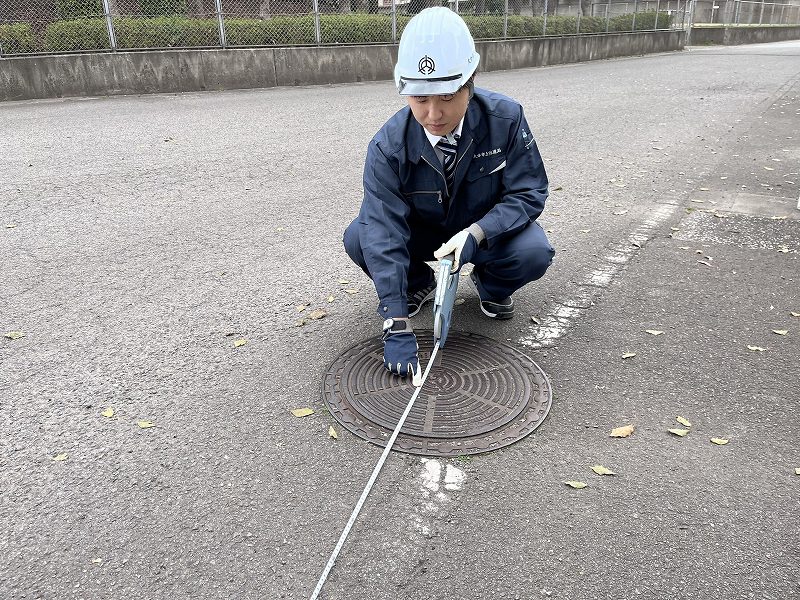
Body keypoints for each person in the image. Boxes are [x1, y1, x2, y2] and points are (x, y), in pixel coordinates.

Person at [343, 7, 555, 385]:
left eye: (446, 96)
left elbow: (528, 191)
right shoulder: (387, 146)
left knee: (533, 252)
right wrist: (395, 321)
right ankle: (417, 284)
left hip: (483, 231)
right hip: (424, 233)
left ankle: (491, 287)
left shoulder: (506, 119)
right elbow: (382, 228)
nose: (433, 113)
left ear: (470, 84)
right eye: (419, 98)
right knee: (360, 236)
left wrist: (478, 233)